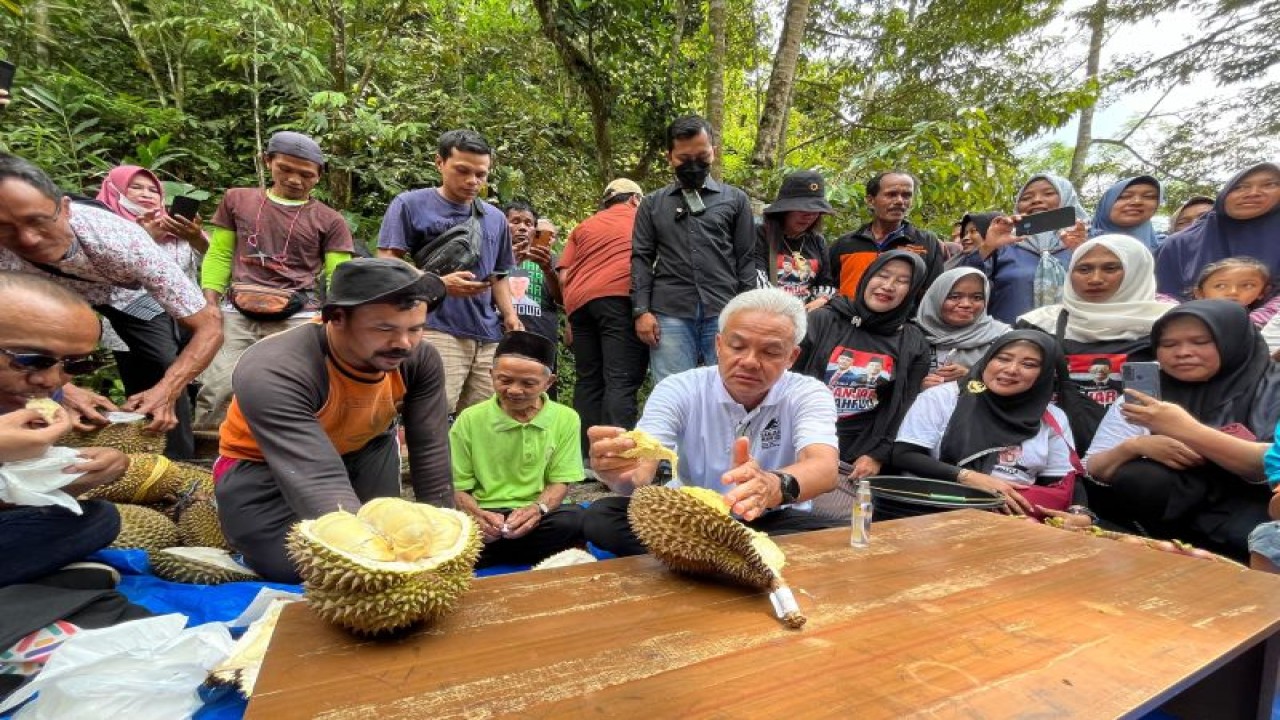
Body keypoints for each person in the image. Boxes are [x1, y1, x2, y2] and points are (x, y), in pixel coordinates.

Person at [214, 259, 452, 582]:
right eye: (385, 329)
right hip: (262, 468)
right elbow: (318, 478)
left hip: (365, 450)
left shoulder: (419, 361)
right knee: (299, 568)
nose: (404, 343)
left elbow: (430, 449)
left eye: (415, 329)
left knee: (405, 544)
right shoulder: (275, 369)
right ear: (336, 318)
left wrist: (445, 538)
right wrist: (366, 560)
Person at [582, 288, 841, 557]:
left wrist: (774, 486)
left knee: (838, 536)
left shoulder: (808, 392)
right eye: (737, 346)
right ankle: (741, 558)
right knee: (603, 518)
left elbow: (824, 467)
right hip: (691, 518)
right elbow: (639, 471)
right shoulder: (679, 388)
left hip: (773, 519)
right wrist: (621, 472)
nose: (750, 362)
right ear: (718, 345)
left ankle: (704, 558)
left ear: (791, 357)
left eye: (771, 352)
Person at [0, 154, 222, 440]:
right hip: (48, 305)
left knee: (161, 362)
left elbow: (209, 324)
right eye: (4, 228)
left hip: (129, 296)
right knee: (28, 361)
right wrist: (63, 390)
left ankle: (173, 455)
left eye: (39, 221)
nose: (28, 239)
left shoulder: (121, 239)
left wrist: (167, 390)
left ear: (66, 209)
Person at [1084, 301, 1280, 560]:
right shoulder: (1147, 395)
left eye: (1200, 342)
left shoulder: (1273, 389)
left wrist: (1185, 429)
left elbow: (1267, 467)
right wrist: (1135, 446)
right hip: (1172, 522)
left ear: (1232, 341)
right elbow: (1092, 468)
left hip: (1261, 511)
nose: (1183, 352)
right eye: (1169, 344)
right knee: (1141, 476)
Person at [195, 131, 355, 429]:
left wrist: (336, 316)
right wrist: (210, 302)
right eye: (285, 169)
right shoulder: (237, 200)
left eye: (306, 174)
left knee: (291, 387)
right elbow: (219, 253)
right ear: (267, 161)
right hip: (236, 311)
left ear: (318, 176)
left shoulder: (329, 219)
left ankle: (279, 449)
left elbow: (339, 274)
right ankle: (208, 455)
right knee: (219, 386)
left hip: (299, 313)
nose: (295, 179)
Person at [377, 129, 521, 414]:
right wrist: (437, 283)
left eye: (481, 174)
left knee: (483, 421)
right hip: (434, 326)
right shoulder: (409, 204)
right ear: (439, 163)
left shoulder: (495, 218)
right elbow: (386, 260)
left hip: (487, 333)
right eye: (462, 170)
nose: (472, 181)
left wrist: (510, 316)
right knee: (432, 414)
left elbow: (499, 275)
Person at [0, 272, 130, 586]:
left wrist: (72, 474)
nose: (52, 381)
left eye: (75, 365)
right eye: (30, 360)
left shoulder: (41, 396)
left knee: (100, 519)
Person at [892, 330, 1088, 521]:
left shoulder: (1051, 417)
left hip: (1016, 521)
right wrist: (969, 478)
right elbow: (905, 455)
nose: (1011, 369)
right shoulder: (943, 398)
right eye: (1003, 359)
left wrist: (1080, 515)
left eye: (1028, 364)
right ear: (987, 360)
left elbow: (1064, 480)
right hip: (938, 513)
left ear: (1043, 375)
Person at [630, 115, 755, 384]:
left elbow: (746, 259)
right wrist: (642, 311)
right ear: (670, 157)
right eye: (684, 158)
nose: (693, 164)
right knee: (671, 388)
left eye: (701, 155)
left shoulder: (735, 199)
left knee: (729, 386)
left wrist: (748, 310)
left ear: (714, 151)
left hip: (725, 308)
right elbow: (641, 258)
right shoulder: (652, 204)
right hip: (670, 310)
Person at [94, 164, 208, 458]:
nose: (146, 194)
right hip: (131, 311)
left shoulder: (173, 225)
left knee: (189, 379)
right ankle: (173, 461)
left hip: (183, 311)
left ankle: (181, 452)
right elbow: (109, 277)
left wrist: (194, 235)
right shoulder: (104, 225)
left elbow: (205, 257)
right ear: (117, 190)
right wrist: (144, 238)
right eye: (136, 188)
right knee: (160, 376)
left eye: (152, 189)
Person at [451, 331, 585, 567]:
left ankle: (488, 555)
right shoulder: (469, 419)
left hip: (537, 514)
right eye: (504, 380)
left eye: (528, 383)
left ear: (549, 382)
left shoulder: (566, 418)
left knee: (574, 520)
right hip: (485, 513)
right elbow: (458, 487)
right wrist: (477, 515)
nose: (514, 390)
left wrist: (537, 509)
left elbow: (560, 482)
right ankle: (530, 553)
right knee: (446, 526)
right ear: (491, 375)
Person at [794, 250, 931, 478]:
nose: (888, 285)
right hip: (803, 440)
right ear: (867, 276)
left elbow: (904, 405)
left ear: (913, 291)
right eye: (883, 275)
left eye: (902, 281)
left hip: (861, 458)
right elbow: (789, 380)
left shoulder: (913, 341)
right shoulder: (823, 320)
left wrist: (877, 455)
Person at [1018, 234, 1172, 411]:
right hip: (1054, 435)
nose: (1095, 279)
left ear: (1137, 271)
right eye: (1084, 269)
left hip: (1140, 435)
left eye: (1110, 268)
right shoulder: (1038, 323)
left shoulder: (1169, 324)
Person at [558, 179, 649, 453]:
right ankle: (614, 453)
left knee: (589, 378)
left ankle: (584, 455)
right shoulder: (641, 218)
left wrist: (570, 319)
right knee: (620, 377)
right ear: (634, 199)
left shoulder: (583, 226)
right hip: (618, 297)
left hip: (580, 304)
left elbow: (563, 276)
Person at [957, 174, 1090, 323]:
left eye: (1048, 193)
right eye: (1026, 197)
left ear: (1067, 198)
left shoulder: (1090, 243)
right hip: (1009, 340)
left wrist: (1083, 252)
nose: (1037, 200)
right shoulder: (1004, 246)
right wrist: (988, 246)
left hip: (1074, 339)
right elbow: (960, 284)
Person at [1157, 162, 1280, 299]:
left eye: (1270, 185)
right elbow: (1163, 298)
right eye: (1240, 187)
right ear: (1224, 194)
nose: (1253, 193)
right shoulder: (1179, 244)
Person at [826, 171, 944, 301]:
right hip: (846, 319)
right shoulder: (845, 244)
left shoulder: (926, 242)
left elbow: (933, 293)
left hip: (902, 321)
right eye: (891, 194)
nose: (900, 201)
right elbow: (827, 288)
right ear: (870, 201)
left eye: (906, 195)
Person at [915, 267, 1011, 390]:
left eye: (977, 297)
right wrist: (918, 388)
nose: (966, 304)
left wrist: (970, 377)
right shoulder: (911, 335)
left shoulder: (1002, 338)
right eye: (954, 297)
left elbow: (1013, 389)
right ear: (936, 298)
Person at [754, 170, 835, 309]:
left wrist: (821, 299)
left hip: (808, 317)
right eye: (801, 209)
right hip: (770, 312)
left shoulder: (817, 240)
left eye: (814, 211)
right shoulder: (760, 234)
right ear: (784, 210)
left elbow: (825, 283)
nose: (808, 216)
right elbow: (757, 281)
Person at [503, 201, 562, 346]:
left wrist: (548, 270)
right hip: (499, 335)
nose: (522, 227)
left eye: (528, 224)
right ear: (503, 225)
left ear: (535, 231)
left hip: (541, 337)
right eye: (515, 221)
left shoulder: (550, 260)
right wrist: (510, 263)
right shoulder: (494, 255)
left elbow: (563, 300)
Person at [1089, 176, 1164, 251]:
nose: (1137, 202)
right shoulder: (1082, 241)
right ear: (1105, 204)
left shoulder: (1167, 248)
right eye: (1124, 196)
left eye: (1148, 196)